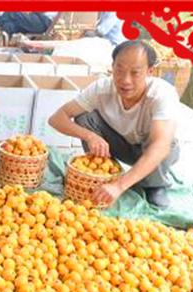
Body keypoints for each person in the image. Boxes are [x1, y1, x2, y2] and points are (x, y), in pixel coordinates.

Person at [48, 40, 180, 208]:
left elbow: (160, 146)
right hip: (122, 145)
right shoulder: (102, 88)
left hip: (153, 151)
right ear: (112, 66)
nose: (125, 80)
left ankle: (155, 184)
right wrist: (90, 136)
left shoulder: (161, 94)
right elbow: (57, 118)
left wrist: (120, 186)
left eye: (135, 73)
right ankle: (104, 172)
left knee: (161, 142)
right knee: (84, 118)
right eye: (119, 70)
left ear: (150, 72)